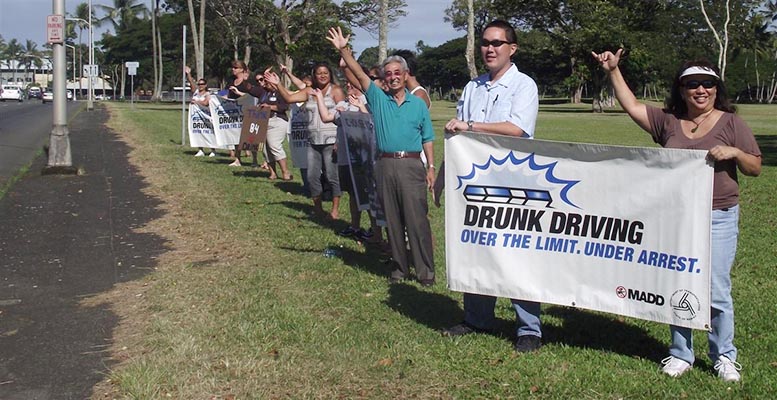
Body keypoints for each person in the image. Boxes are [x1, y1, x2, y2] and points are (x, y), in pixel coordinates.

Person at [591, 49, 761, 382]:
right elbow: (632, 106)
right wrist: (613, 71)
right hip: (676, 218)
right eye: (692, 84)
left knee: (715, 288)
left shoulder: (732, 123)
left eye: (708, 84)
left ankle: (724, 355)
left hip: (718, 215)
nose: (701, 90)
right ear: (681, 90)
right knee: (678, 282)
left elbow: (755, 166)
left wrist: (736, 152)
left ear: (716, 88)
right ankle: (681, 352)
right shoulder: (669, 120)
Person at [440, 20, 542, 353]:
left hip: (514, 185)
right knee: (477, 249)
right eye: (485, 43)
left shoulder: (524, 85)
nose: (490, 48)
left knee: (517, 256)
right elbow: (456, 137)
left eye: (497, 43)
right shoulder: (473, 87)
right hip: (475, 184)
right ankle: (477, 317)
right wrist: (441, 176)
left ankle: (529, 328)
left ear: (512, 48)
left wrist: (471, 125)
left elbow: (517, 129)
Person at [328, 26, 436, 287]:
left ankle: (425, 271)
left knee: (417, 219)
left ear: (406, 75)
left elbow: (428, 137)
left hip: (412, 165)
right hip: (385, 164)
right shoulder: (377, 98)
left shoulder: (418, 103)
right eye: (388, 74)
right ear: (385, 78)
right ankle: (399, 268)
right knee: (393, 220)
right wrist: (343, 49)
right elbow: (358, 73)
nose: (393, 78)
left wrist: (431, 167)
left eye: (398, 73)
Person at [266, 62, 345, 219]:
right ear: (314, 76)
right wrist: (278, 84)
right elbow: (289, 98)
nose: (322, 76)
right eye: (319, 73)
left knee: (331, 175)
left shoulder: (336, 91)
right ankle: (318, 208)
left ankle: (335, 210)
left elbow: (343, 116)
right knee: (312, 176)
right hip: (313, 141)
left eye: (325, 73)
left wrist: (339, 140)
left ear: (330, 75)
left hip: (331, 140)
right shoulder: (309, 91)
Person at [312, 81, 380, 242]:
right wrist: (320, 98)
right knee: (352, 193)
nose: (348, 86)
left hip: (363, 158)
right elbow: (326, 117)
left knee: (368, 194)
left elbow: (372, 124)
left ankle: (375, 231)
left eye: (352, 84)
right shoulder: (343, 104)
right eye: (347, 84)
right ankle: (355, 226)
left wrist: (360, 108)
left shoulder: (368, 102)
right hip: (345, 158)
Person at [231, 68, 293, 180]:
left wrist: (270, 107)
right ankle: (272, 172)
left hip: (277, 120)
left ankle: (285, 172)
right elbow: (249, 89)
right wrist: (244, 79)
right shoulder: (263, 92)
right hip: (263, 121)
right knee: (265, 148)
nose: (265, 82)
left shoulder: (281, 91)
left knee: (274, 145)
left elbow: (285, 106)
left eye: (267, 80)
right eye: (264, 80)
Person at [226, 60, 256, 167]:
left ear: (242, 70)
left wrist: (238, 93)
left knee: (251, 136)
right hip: (235, 112)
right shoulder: (231, 80)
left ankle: (255, 160)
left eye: (236, 68)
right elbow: (226, 93)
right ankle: (237, 159)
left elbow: (253, 95)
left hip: (248, 111)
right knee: (236, 135)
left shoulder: (249, 81)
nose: (233, 70)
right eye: (233, 68)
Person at [185, 66, 216, 157]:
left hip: (207, 117)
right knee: (198, 132)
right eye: (199, 84)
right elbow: (191, 83)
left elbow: (206, 103)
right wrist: (188, 74)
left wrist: (196, 102)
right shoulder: (196, 92)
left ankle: (213, 150)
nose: (200, 85)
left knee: (210, 132)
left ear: (206, 85)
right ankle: (200, 150)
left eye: (202, 84)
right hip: (197, 118)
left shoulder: (208, 94)